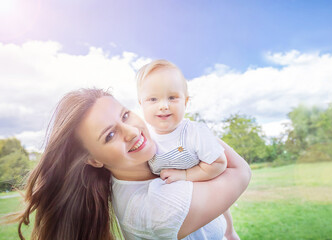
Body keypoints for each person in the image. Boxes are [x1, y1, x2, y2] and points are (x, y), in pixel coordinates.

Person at [12, 88, 251, 240]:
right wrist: (189, 129)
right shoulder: (156, 209)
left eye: (125, 115)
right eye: (109, 135)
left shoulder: (157, 162)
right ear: (94, 160)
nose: (131, 131)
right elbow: (239, 171)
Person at [135, 60, 239, 239]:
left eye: (172, 97)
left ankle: (230, 232)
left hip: (208, 215)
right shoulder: (144, 140)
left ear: (186, 101)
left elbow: (219, 163)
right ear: (141, 104)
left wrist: (185, 175)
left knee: (222, 216)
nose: (163, 105)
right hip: (176, 220)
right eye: (153, 99)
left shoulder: (194, 132)